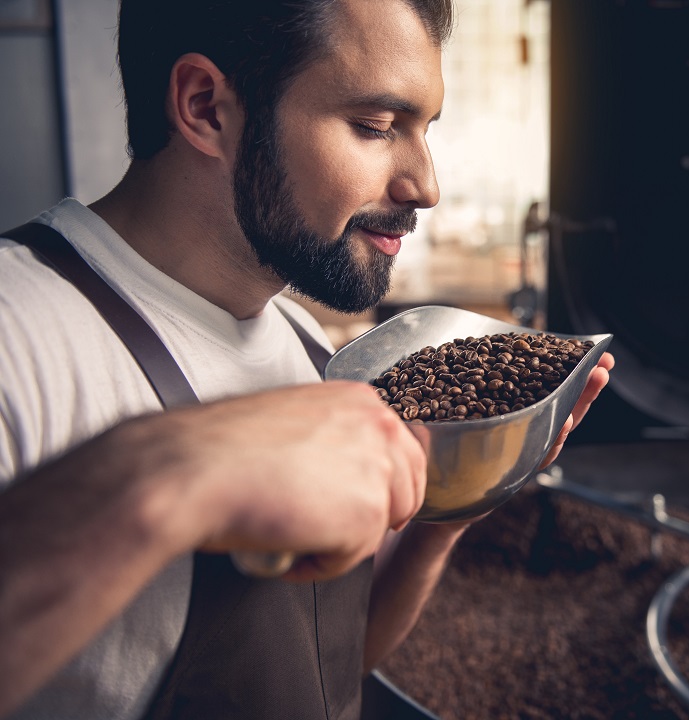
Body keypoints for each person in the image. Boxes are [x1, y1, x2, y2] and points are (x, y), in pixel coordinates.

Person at [0, 0, 615, 718]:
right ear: (206, 108)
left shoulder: (306, 344)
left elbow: (325, 671)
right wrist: (168, 468)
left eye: (423, 132)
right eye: (377, 127)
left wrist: (450, 508)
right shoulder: (20, 331)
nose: (425, 185)